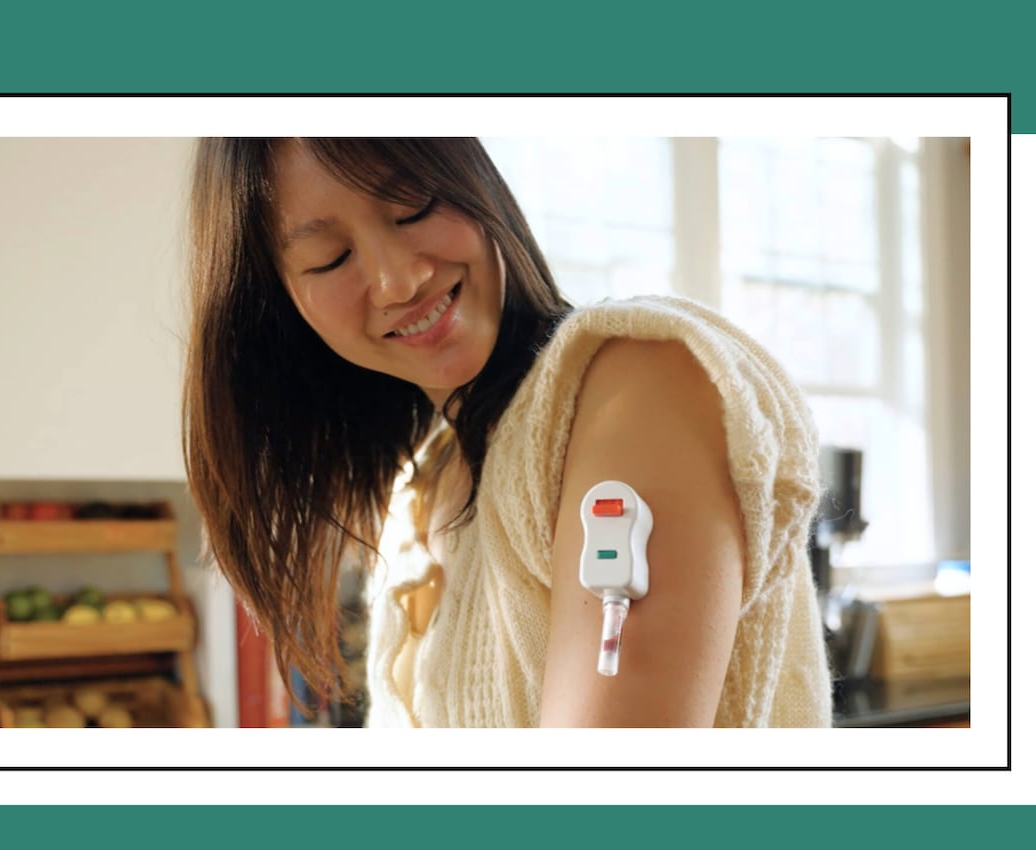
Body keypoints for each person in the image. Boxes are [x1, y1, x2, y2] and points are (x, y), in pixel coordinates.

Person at [184, 138, 830, 727]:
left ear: (475, 184)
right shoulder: (423, 483)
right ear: (281, 306)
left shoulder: (637, 385)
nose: (396, 281)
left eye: (411, 208)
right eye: (330, 259)